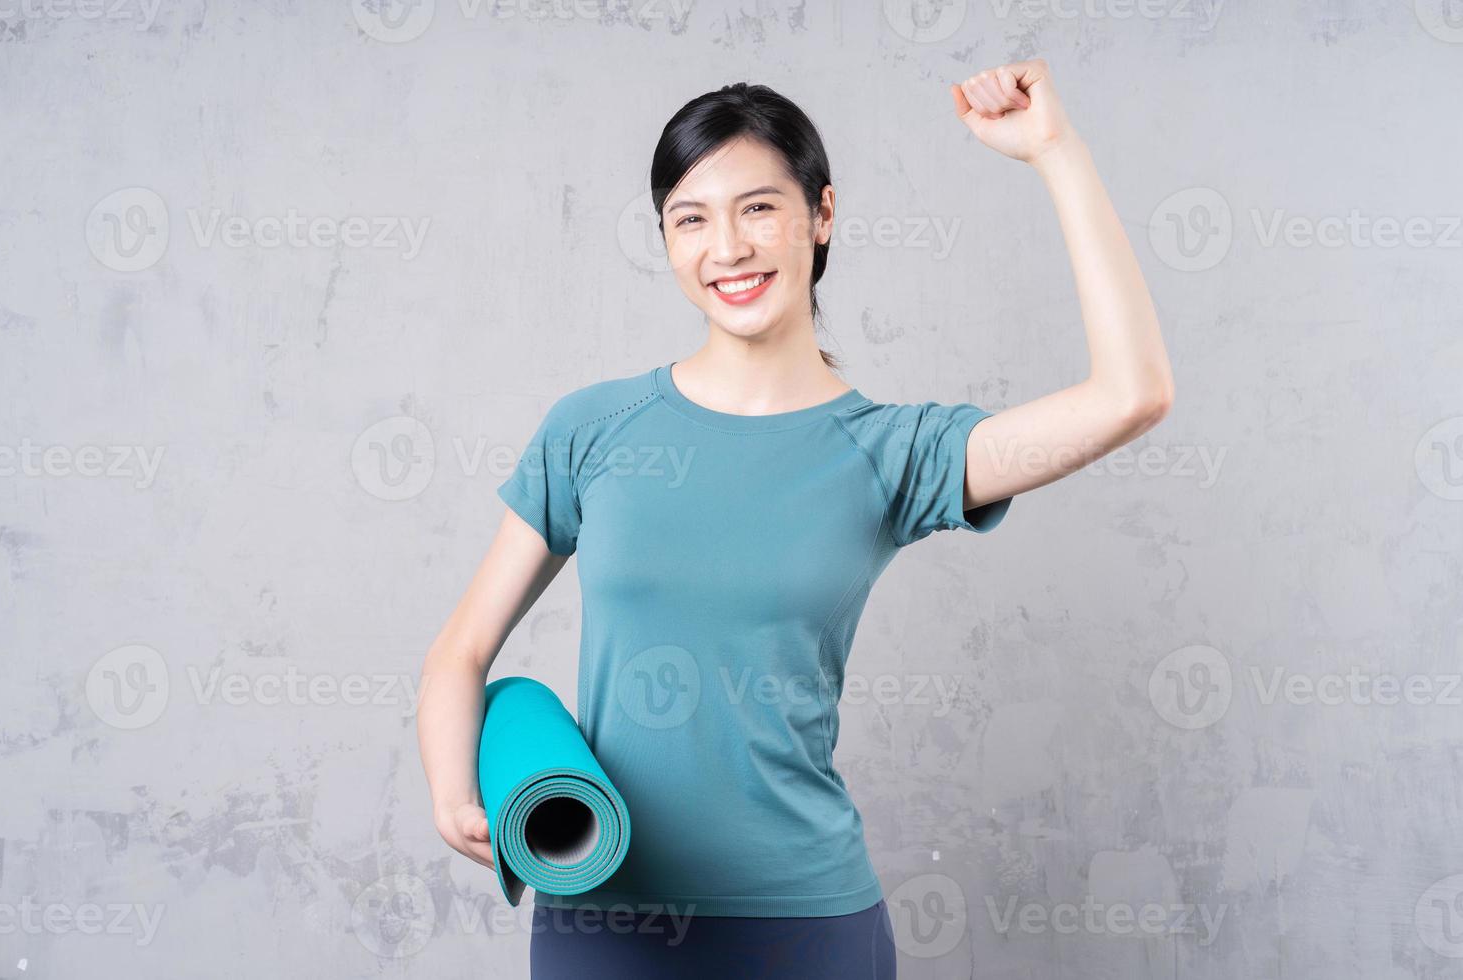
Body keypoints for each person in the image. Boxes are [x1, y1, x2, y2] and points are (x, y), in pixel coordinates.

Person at [417, 61, 1174, 979]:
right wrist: (453, 789)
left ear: (821, 215)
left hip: (806, 925)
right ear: (666, 241)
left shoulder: (892, 454)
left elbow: (1132, 395)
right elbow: (462, 652)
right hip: (604, 919)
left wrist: (1056, 151)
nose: (727, 247)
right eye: (690, 219)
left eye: (758, 208)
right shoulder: (593, 429)